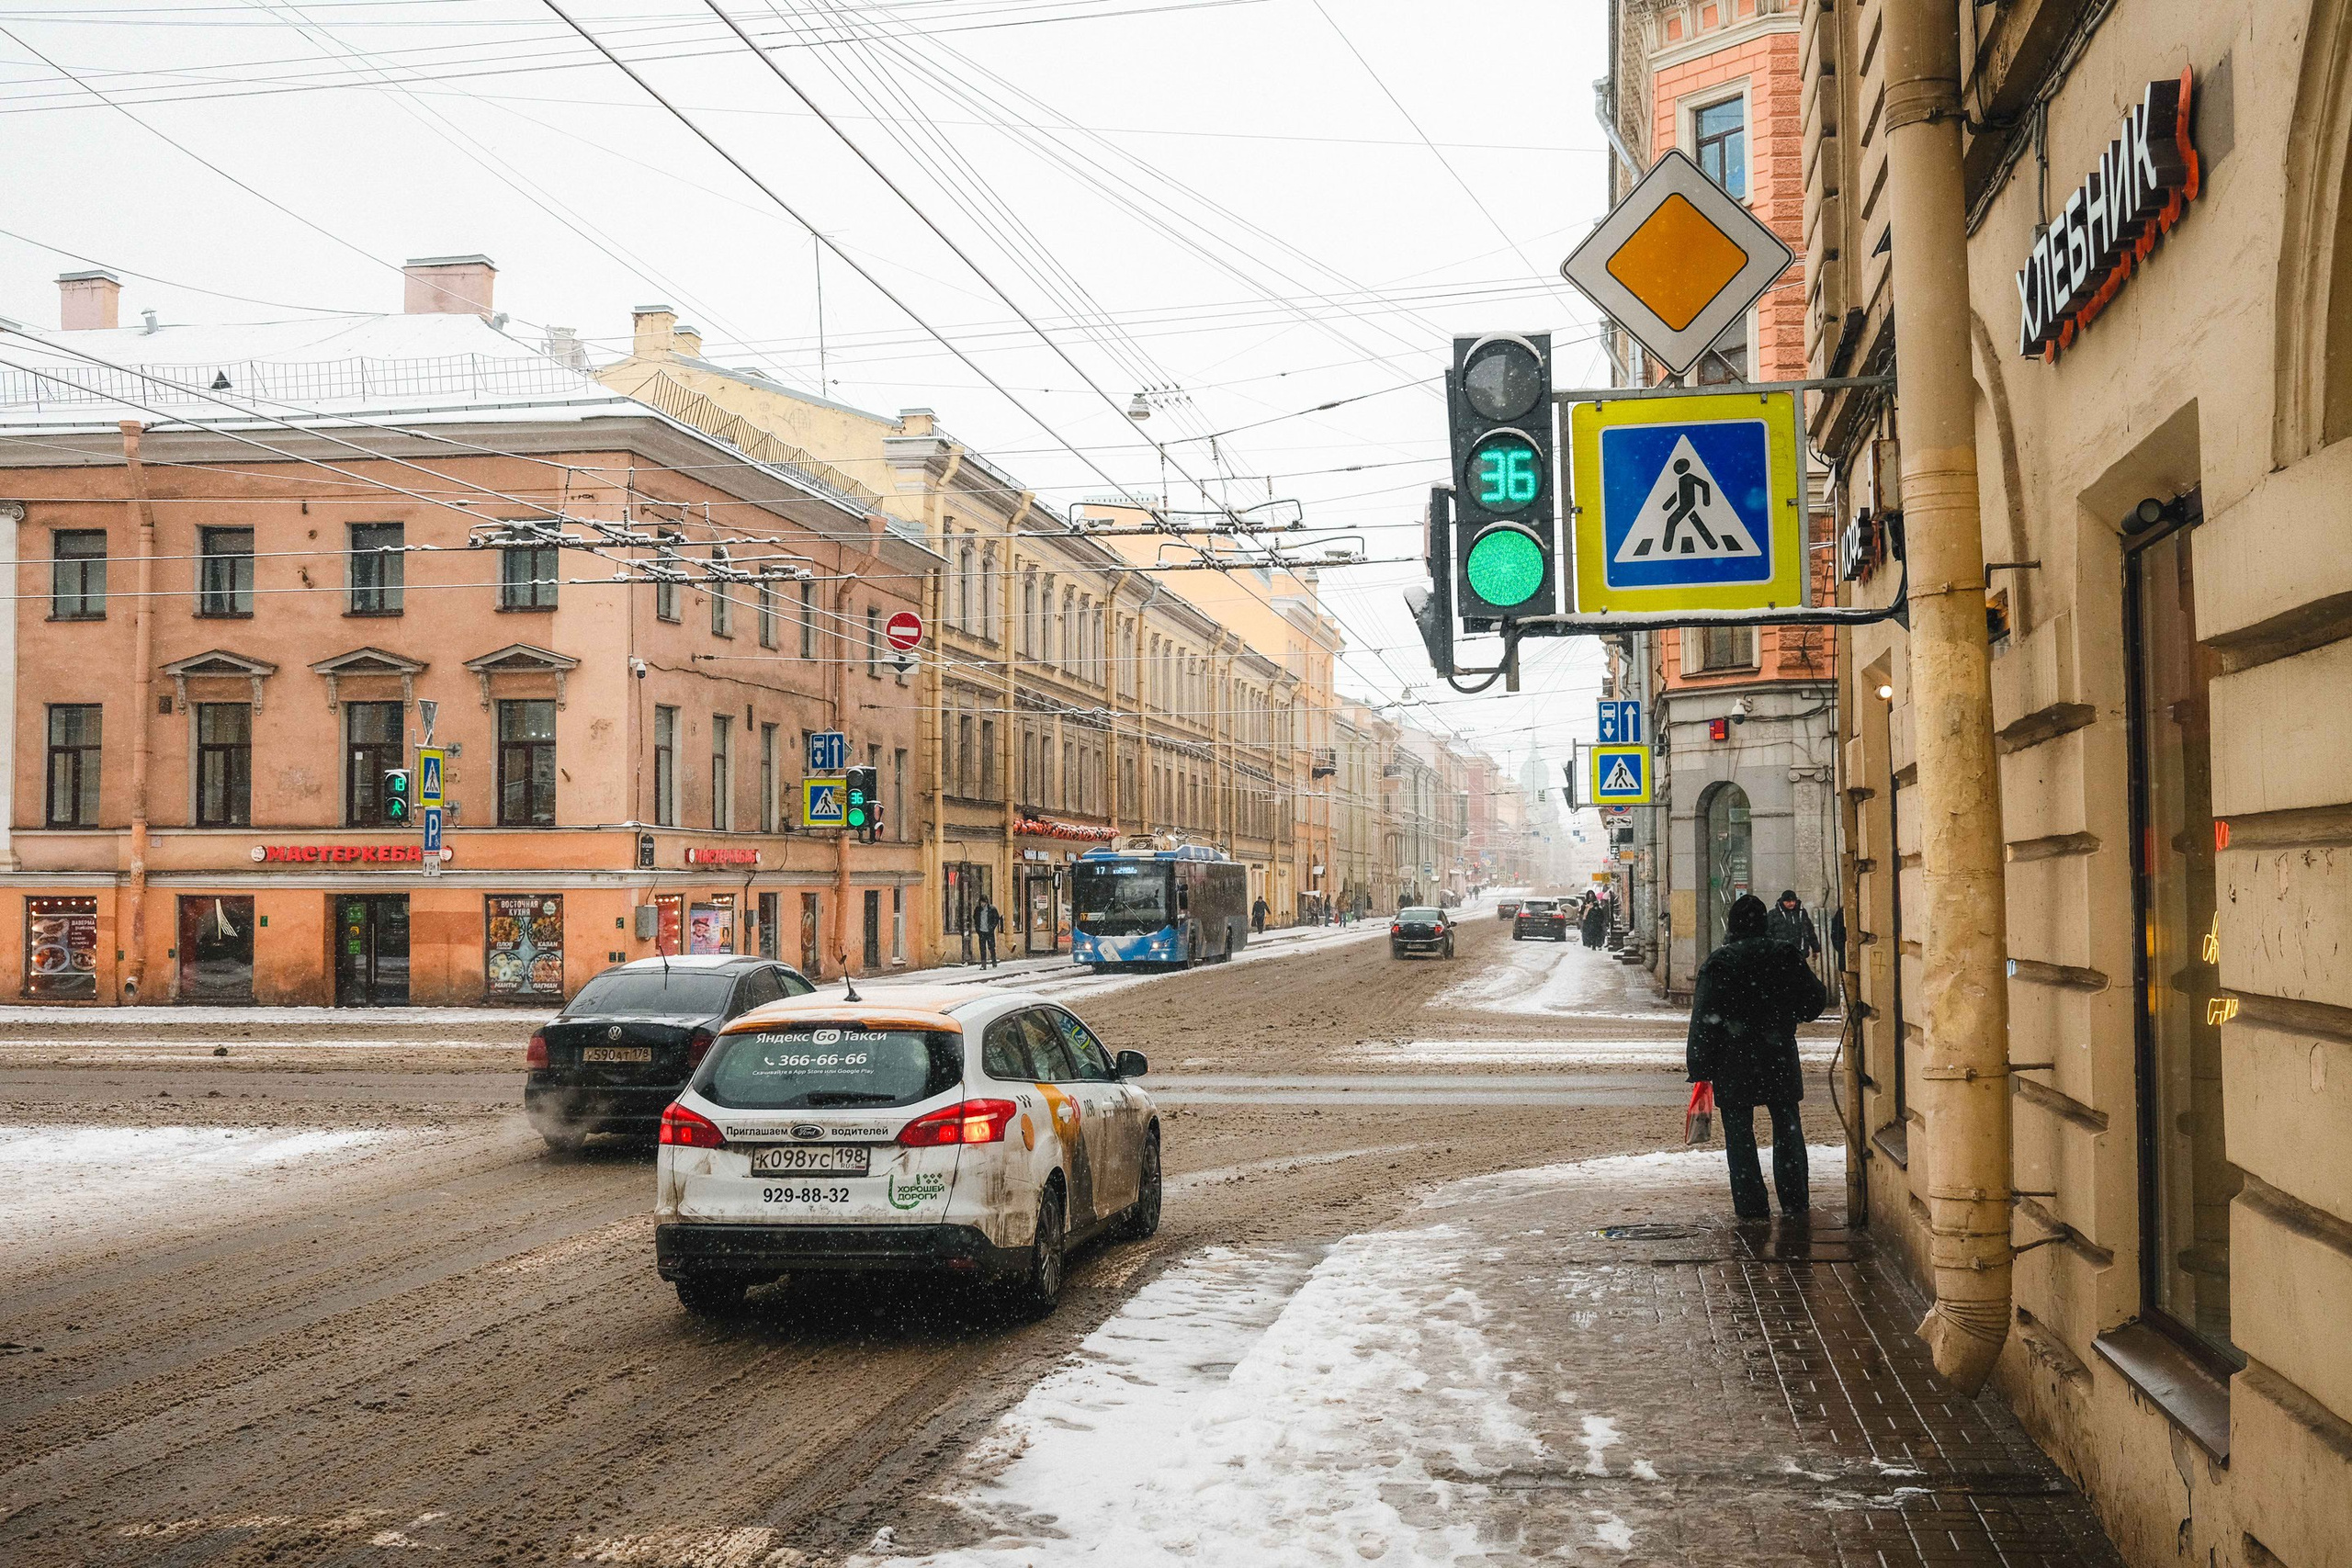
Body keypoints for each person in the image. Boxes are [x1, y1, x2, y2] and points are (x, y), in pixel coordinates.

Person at [1687, 894, 1829, 1219]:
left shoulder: (1719, 962)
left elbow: (1703, 1019)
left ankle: (1751, 1205)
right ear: (1764, 923)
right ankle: (1794, 1201)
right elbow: (1815, 1001)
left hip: (1732, 1060)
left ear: (1732, 926)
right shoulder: (1784, 955)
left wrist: (1700, 1067)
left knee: (1739, 1135)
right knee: (1787, 1127)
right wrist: (1787, 1013)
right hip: (1777, 1054)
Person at [1765, 889, 1822, 960]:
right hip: (1781, 954)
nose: (1791, 903)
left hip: (1800, 953)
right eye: (1788, 901)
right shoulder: (1773, 914)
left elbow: (1809, 930)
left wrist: (1815, 948)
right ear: (1783, 901)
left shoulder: (1801, 913)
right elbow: (1767, 932)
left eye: (1793, 901)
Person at [972, 895, 1002, 969]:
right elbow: (975, 918)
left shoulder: (992, 909)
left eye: (983, 902)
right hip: (981, 931)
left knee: (991, 947)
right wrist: (978, 929)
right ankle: (983, 964)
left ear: (986, 902)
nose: (982, 904)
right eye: (981, 902)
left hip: (989, 932)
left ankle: (994, 962)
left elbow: (996, 919)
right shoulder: (978, 910)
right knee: (982, 948)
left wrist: (992, 927)